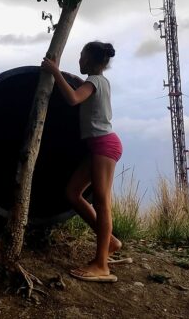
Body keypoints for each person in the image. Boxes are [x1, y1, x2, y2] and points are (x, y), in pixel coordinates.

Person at [41, 41, 123, 283]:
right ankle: (111, 242)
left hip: (104, 145)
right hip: (99, 145)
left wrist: (55, 72)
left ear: (91, 61)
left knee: (102, 202)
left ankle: (101, 265)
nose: (79, 60)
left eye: (81, 56)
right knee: (72, 193)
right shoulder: (101, 82)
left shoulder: (94, 82)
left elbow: (74, 99)